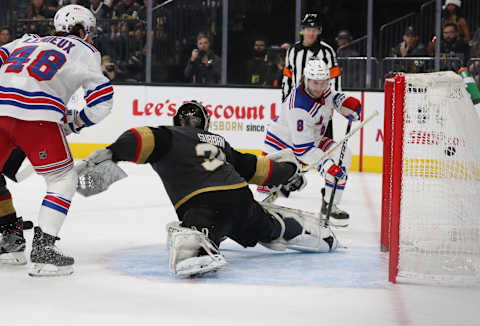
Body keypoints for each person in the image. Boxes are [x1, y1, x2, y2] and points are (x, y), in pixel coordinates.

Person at [79, 101, 338, 277]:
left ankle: (197, 239)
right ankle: (289, 228)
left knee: (197, 228)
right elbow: (254, 168)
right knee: (263, 226)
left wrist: (113, 152)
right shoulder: (219, 142)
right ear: (205, 122)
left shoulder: (169, 136)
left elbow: (140, 138)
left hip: (203, 204)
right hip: (241, 199)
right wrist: (288, 172)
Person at [0, 4, 114, 276]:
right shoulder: (86, 50)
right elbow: (102, 101)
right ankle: (44, 250)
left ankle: (10, 243)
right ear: (85, 30)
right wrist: (77, 122)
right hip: (37, 117)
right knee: (63, 178)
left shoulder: (26, 40)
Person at [263, 58, 361, 227]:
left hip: (310, 141)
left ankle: (330, 206)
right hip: (283, 149)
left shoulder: (323, 90)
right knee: (266, 195)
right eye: (315, 83)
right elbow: (302, 150)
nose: (319, 88)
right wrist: (326, 166)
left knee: (342, 157)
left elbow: (334, 97)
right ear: (306, 80)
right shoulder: (299, 107)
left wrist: (346, 105)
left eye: (323, 83)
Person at [282, 13, 340, 144]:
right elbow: (287, 78)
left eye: (314, 30)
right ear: (302, 30)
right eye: (308, 29)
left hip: (321, 103)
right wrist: (285, 101)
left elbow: (335, 78)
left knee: (324, 143)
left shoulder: (327, 51)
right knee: (296, 141)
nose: (311, 33)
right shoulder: (292, 51)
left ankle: (327, 164)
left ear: (319, 31)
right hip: (298, 103)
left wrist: (331, 103)